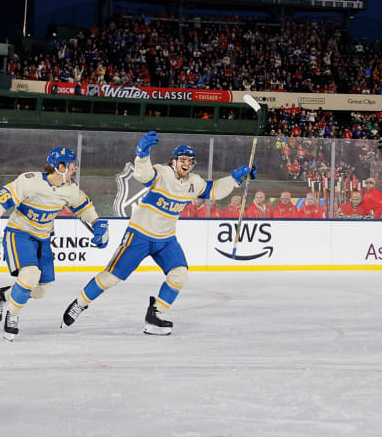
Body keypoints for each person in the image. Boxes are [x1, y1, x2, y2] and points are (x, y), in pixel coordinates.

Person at [60, 132, 254, 335]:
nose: (186, 163)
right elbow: (142, 175)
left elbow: (213, 190)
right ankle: (80, 303)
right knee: (111, 278)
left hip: (166, 240)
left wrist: (234, 179)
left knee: (179, 275)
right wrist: (142, 154)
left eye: (190, 160)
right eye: (182, 160)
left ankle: (155, 315)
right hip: (139, 235)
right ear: (173, 161)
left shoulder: (193, 182)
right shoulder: (163, 174)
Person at [0, 147, 110, 341]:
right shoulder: (29, 181)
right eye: (72, 166)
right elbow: (1, 199)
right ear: (60, 166)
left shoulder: (70, 189)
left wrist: (97, 224)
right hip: (19, 233)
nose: (74, 170)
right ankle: (12, 317)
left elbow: (85, 207)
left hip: (44, 238)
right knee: (30, 274)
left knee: (41, 289)